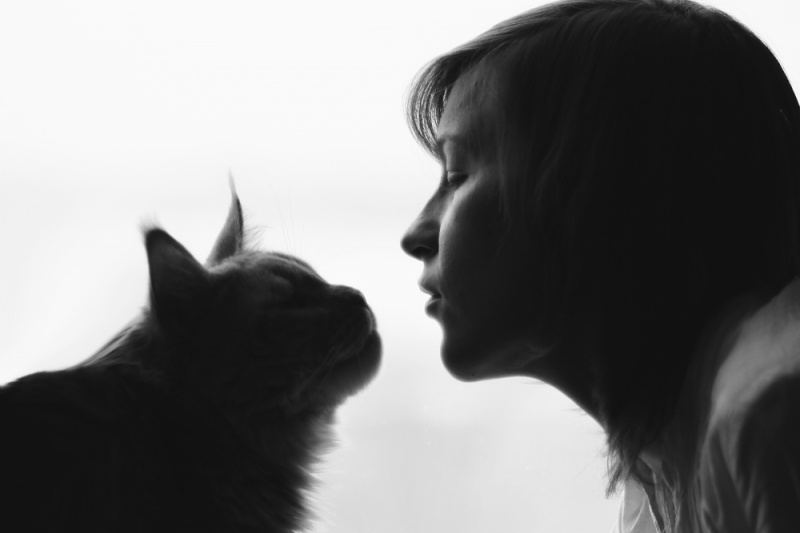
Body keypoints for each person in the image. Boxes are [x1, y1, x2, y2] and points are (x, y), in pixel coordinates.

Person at [399, 0, 800, 531]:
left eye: (456, 176)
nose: (415, 236)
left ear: (588, 192)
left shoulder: (769, 413)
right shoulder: (662, 476)